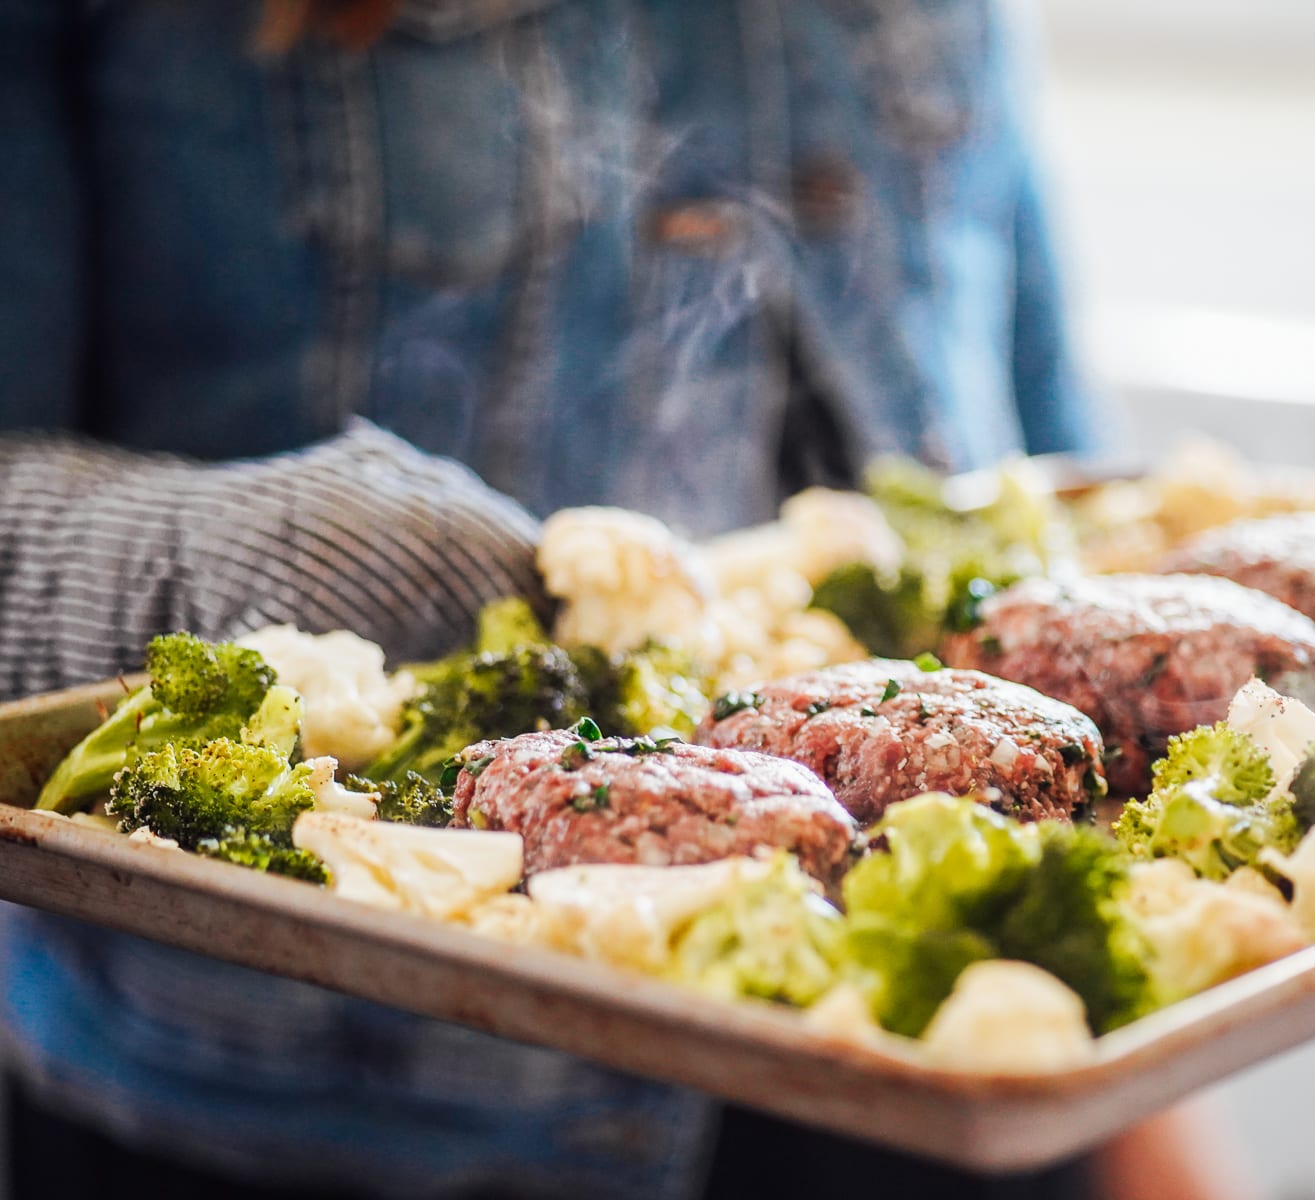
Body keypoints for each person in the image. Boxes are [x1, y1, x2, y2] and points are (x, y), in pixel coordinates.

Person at [0, 3, 1237, 1198]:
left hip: (947, 1057)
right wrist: (213, 570)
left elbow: (1037, 460)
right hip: (333, 1114)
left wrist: (1134, 1091)